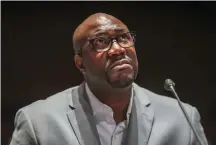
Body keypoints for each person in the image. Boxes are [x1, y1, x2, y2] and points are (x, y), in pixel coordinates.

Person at [10, 12, 208, 145]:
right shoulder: (38, 122)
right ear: (80, 64)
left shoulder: (182, 119)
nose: (118, 49)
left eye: (124, 38)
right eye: (101, 41)